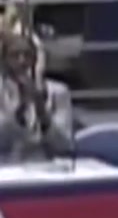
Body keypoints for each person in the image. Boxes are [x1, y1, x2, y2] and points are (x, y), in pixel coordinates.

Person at [0, 22, 73, 161]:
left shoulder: (58, 92)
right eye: (15, 55)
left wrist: (41, 109)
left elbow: (64, 145)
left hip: (43, 165)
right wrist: (20, 109)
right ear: (4, 60)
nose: (22, 61)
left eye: (27, 55)